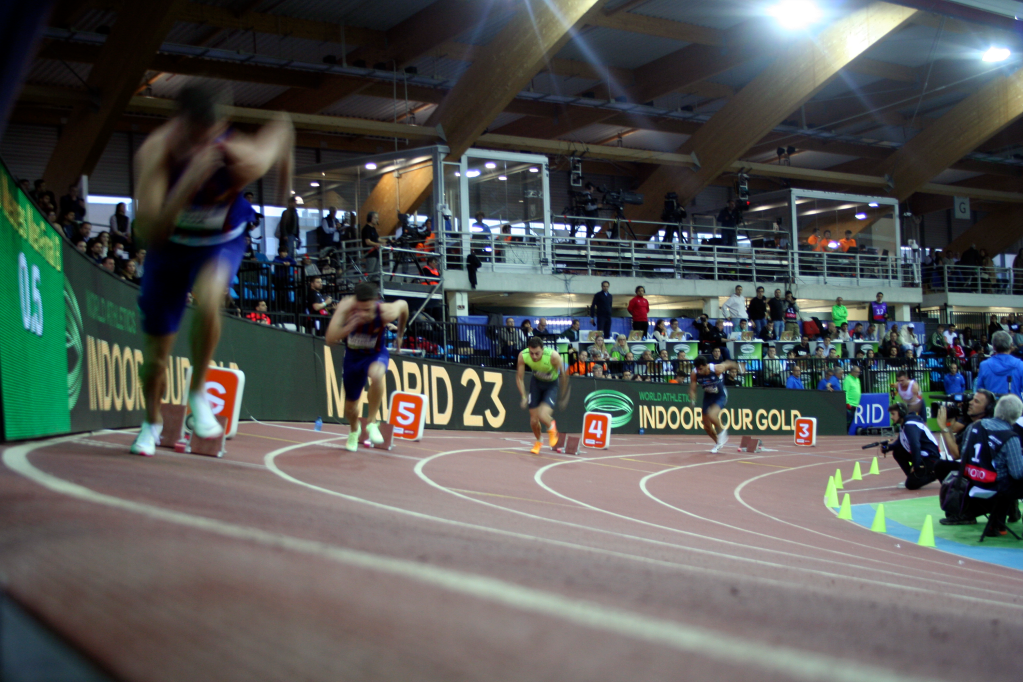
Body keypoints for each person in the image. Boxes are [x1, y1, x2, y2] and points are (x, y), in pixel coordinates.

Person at [129, 84, 294, 456]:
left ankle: (198, 391)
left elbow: (282, 128)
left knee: (209, 300)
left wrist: (285, 182)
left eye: (211, 136)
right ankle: (151, 421)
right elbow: (148, 230)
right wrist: (187, 183)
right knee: (155, 358)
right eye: (193, 137)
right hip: (168, 246)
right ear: (180, 125)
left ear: (222, 125)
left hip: (220, 241)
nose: (203, 146)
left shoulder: (241, 155)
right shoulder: (157, 151)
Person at [325, 281, 408, 452]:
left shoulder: (386, 311)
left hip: (375, 353)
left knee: (377, 374)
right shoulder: (346, 307)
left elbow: (404, 306)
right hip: (353, 358)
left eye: (367, 310)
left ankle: (371, 422)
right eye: (360, 309)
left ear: (376, 302)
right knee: (350, 407)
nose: (363, 314)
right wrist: (350, 326)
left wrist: (400, 334)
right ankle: (354, 430)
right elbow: (330, 338)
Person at [952, 395, 1023, 535]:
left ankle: (998, 524)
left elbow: (962, 453)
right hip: (994, 485)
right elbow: (1017, 473)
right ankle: (1000, 522)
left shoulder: (973, 426)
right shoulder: (1010, 436)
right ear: (1017, 415)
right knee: (1012, 480)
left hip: (971, 482)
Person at [884, 403, 943, 490]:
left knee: (911, 485)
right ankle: (913, 476)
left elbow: (915, 445)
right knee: (897, 452)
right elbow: (900, 442)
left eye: (893, 414)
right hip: (923, 455)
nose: (891, 417)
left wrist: (916, 466)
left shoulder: (910, 425)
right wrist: (888, 447)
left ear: (901, 413)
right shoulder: (905, 424)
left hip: (931, 458)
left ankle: (937, 473)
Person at [690, 355, 739, 453]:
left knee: (712, 415)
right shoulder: (694, 373)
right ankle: (718, 443)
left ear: (706, 366)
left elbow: (729, 363)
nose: (699, 371)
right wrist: (693, 400)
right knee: (706, 426)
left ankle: (722, 432)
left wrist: (739, 367)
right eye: (697, 369)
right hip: (708, 396)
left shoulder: (716, 368)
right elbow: (693, 388)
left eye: (700, 369)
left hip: (720, 395)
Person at [975, 331, 1023, 398]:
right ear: (1011, 345)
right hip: (1014, 406)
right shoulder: (1020, 365)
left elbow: (980, 392)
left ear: (993, 347)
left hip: (992, 406)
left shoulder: (984, 365)